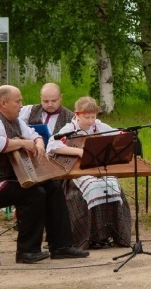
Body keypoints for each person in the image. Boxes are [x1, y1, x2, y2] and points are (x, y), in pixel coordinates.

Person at [0, 85, 89, 264]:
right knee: (34, 194)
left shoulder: (15, 121)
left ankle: (61, 246)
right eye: (17, 101)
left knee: (52, 187)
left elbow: (33, 134)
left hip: (9, 181)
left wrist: (39, 143)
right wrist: (23, 144)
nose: (21, 105)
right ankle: (26, 251)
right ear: (4, 103)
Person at [46, 96, 132, 250]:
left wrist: (121, 136)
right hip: (76, 174)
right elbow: (52, 146)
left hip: (97, 170)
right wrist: (79, 151)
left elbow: (118, 134)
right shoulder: (69, 129)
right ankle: (86, 237)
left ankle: (107, 234)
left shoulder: (98, 127)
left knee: (112, 186)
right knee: (91, 188)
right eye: (87, 117)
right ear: (77, 114)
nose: (91, 120)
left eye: (93, 116)